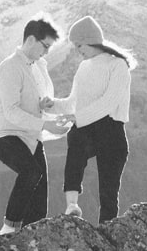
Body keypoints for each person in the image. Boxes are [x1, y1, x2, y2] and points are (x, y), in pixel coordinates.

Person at [49, 15, 135, 224]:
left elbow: (109, 102)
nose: (78, 50)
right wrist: (52, 104)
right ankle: (72, 205)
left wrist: (78, 117)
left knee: (108, 190)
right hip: (87, 127)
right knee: (75, 149)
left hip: (111, 130)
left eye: (79, 45)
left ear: (90, 40)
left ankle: (107, 232)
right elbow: (73, 102)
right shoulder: (84, 67)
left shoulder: (118, 65)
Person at [0, 17, 70, 236]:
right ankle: (8, 228)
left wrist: (45, 108)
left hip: (33, 138)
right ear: (31, 40)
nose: (46, 52)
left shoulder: (39, 67)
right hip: (7, 137)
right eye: (45, 46)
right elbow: (11, 111)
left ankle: (32, 239)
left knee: (39, 196)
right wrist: (46, 124)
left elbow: (38, 102)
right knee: (31, 172)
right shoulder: (9, 68)